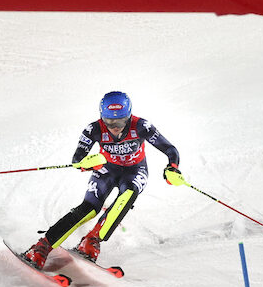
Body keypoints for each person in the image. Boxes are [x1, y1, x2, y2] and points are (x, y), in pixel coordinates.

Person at [22, 91, 183, 268]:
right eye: (109, 122)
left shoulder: (141, 126)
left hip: (135, 170)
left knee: (127, 195)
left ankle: (92, 240)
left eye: (121, 121)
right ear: (102, 117)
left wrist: (172, 168)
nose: (115, 127)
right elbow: (77, 159)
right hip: (107, 169)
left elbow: (170, 149)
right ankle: (42, 246)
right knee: (89, 209)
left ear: (129, 116)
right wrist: (87, 163)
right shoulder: (94, 129)